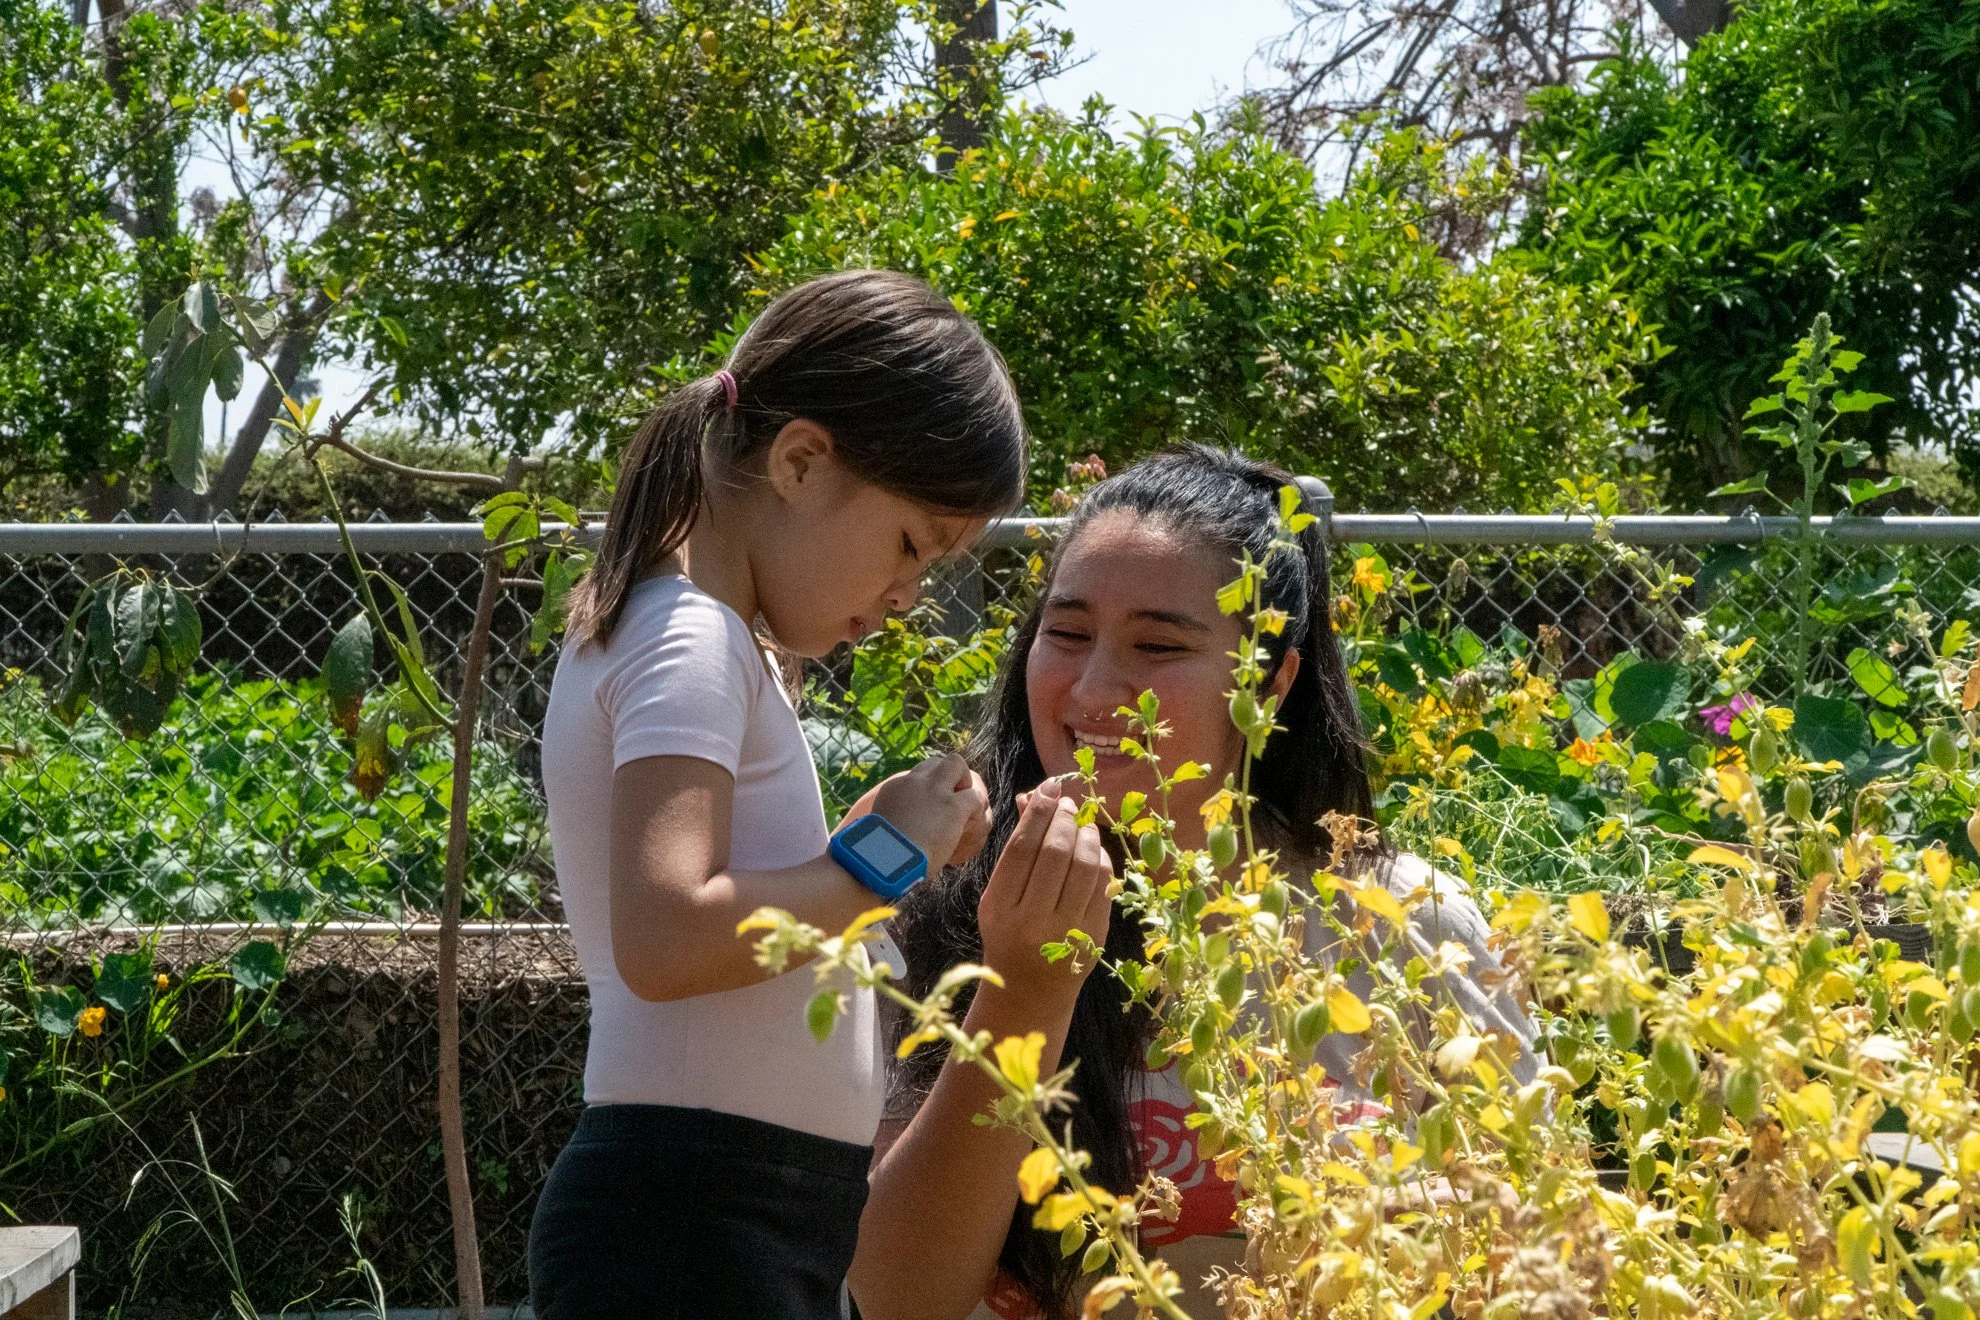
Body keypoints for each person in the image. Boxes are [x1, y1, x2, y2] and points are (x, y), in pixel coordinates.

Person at [857, 445, 1539, 1320]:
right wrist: (1025, 990)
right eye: (1065, 635)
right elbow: (896, 1299)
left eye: (1158, 645)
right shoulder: (941, 915)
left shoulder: (1408, 926)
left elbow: (1541, 1260)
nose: (1095, 689)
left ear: (1271, 678)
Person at [528, 270, 1029, 1319]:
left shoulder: (691, 635)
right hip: (695, 1215)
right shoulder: (691, 638)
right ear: (802, 460)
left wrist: (858, 840)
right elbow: (667, 937)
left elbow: (729, 912)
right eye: (909, 545)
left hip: (733, 1209)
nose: (905, 596)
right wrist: (882, 858)